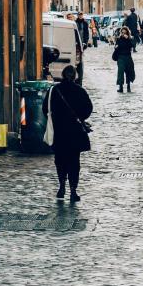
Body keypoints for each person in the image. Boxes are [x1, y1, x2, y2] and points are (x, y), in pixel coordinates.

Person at [43, 65, 93, 203]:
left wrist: (54, 119)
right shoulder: (80, 91)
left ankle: (61, 185)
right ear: (75, 76)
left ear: (63, 75)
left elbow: (45, 108)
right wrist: (80, 118)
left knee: (60, 160)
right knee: (74, 162)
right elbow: (88, 108)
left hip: (59, 131)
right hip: (74, 132)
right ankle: (73, 190)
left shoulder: (54, 90)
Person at [113, 26, 136, 93]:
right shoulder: (119, 39)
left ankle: (128, 86)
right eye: (122, 33)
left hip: (128, 57)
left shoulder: (131, 38)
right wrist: (116, 47)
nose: (123, 34)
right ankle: (121, 87)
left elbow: (133, 45)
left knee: (129, 71)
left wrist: (128, 39)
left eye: (125, 33)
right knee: (120, 72)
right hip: (120, 57)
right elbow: (116, 46)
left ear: (127, 33)